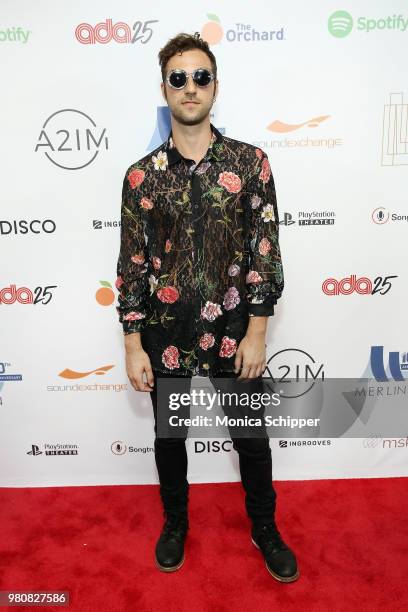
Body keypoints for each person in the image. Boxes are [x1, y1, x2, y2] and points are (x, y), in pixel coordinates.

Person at [115, 32, 299, 582]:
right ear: (165, 88)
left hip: (235, 330)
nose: (189, 87)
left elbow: (264, 248)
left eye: (200, 77)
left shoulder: (250, 163)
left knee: (251, 438)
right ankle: (175, 523)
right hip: (165, 335)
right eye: (178, 78)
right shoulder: (140, 177)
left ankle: (264, 527)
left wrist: (258, 332)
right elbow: (133, 264)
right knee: (170, 439)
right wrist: (131, 342)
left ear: (215, 86)